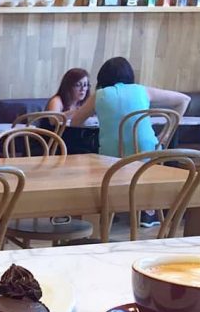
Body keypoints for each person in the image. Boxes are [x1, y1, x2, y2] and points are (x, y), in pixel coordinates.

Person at [72, 56, 191, 226]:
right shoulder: (142, 90)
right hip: (148, 152)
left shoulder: (100, 95)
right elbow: (184, 99)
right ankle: (148, 212)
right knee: (146, 166)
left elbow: (76, 121)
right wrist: (165, 136)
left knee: (94, 161)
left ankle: (107, 208)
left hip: (111, 157)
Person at [46, 68, 95, 153]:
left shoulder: (86, 102)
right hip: (53, 142)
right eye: (78, 85)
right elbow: (53, 120)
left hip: (74, 142)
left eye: (86, 85)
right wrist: (77, 112)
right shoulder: (57, 100)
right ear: (68, 86)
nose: (83, 89)